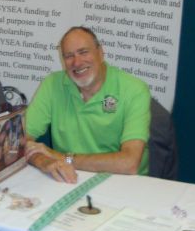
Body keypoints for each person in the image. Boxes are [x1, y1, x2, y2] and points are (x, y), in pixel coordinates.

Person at [25, 26, 151, 183]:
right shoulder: (52, 85)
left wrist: (63, 158)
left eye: (83, 52)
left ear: (101, 53)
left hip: (123, 183)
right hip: (68, 178)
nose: (77, 62)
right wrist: (43, 161)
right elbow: (19, 139)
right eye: (69, 56)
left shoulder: (134, 89)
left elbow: (129, 163)